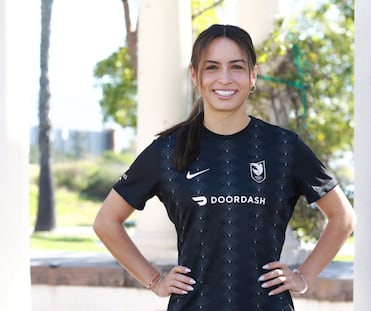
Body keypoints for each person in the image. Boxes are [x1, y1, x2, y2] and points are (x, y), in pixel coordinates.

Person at [93, 24, 356, 310]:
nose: (225, 78)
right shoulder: (168, 150)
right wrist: (155, 281)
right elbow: (106, 222)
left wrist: (303, 276)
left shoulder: (283, 147)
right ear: (195, 76)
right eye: (212, 67)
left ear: (253, 75)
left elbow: (343, 217)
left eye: (236, 67)